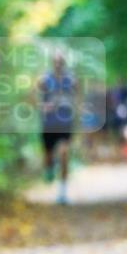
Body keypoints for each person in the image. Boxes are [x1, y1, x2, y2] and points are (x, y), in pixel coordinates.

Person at [37, 49, 77, 205]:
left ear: (64, 62)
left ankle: (62, 192)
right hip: (48, 123)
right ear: (52, 62)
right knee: (48, 156)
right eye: (56, 61)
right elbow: (32, 96)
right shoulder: (44, 79)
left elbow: (78, 98)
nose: (58, 64)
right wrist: (43, 105)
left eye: (61, 61)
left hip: (65, 123)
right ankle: (49, 169)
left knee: (64, 154)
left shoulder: (71, 80)